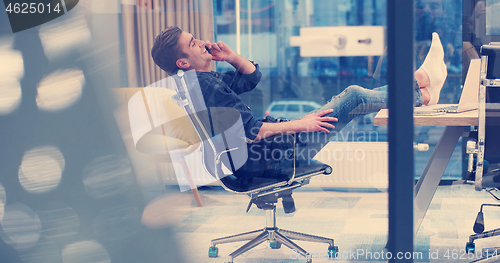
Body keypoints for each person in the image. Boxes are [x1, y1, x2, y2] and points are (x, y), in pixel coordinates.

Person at [151, 26, 447, 178]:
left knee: (351, 99)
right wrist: (302, 124)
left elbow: (251, 78)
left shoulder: (201, 83)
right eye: (193, 45)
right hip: (269, 157)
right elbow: (249, 131)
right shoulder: (204, 87)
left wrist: (230, 57)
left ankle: (420, 90)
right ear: (183, 62)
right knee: (354, 96)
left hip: (265, 152)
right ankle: (420, 83)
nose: (202, 43)